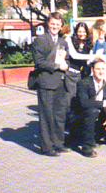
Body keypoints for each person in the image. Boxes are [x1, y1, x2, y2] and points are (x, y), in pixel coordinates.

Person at [32, 12, 70, 157]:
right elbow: (39, 62)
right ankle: (47, 147)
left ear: (61, 26)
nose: (55, 27)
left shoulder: (62, 42)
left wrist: (66, 64)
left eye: (58, 24)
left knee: (60, 115)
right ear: (48, 23)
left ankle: (58, 144)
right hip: (46, 82)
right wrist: (57, 66)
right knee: (46, 115)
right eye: (53, 24)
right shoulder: (40, 40)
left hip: (60, 82)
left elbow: (67, 59)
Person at [76, 58, 106, 158]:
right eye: (98, 69)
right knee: (93, 111)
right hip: (84, 114)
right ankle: (87, 146)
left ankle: (100, 137)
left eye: (103, 69)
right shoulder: (83, 83)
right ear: (92, 69)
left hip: (99, 114)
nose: (101, 71)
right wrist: (103, 103)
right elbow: (84, 103)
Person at [64, 22, 96, 128]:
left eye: (84, 31)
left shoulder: (89, 44)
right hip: (71, 74)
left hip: (81, 75)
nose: (82, 34)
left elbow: (89, 61)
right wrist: (94, 55)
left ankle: (77, 127)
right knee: (70, 100)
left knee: (79, 100)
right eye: (79, 31)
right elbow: (74, 55)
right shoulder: (69, 40)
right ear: (76, 32)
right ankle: (67, 126)